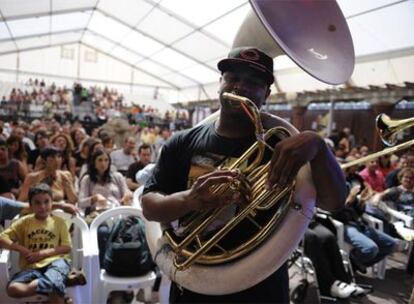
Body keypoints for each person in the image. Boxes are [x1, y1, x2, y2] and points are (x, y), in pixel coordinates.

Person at [141, 47, 346, 303]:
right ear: (220, 83)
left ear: (267, 94)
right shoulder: (181, 142)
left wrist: (319, 148)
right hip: (194, 282)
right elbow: (149, 206)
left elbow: (334, 202)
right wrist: (190, 199)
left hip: (263, 285)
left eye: (253, 82)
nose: (240, 86)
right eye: (233, 77)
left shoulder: (284, 147)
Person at [0, 183, 72, 303]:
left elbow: (66, 247)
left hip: (55, 263)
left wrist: (41, 254)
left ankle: (52, 284)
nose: (43, 207)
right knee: (12, 289)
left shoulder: (59, 222)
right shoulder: (24, 222)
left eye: (46, 202)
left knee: (55, 280)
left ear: (52, 202)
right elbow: (2, 239)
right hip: (31, 269)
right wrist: (21, 249)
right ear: (31, 205)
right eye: (37, 203)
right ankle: (53, 285)